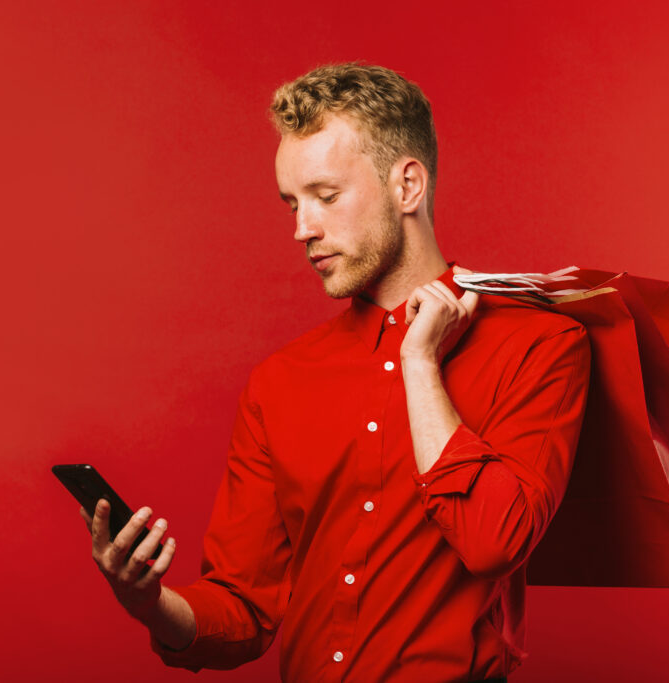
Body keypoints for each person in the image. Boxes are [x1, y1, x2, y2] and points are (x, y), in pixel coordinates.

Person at [80, 63, 592, 682]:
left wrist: (420, 365)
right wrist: (149, 604)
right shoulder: (280, 381)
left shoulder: (541, 345)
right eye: (292, 203)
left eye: (326, 197)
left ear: (408, 187)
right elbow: (243, 608)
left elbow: (495, 542)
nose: (303, 229)